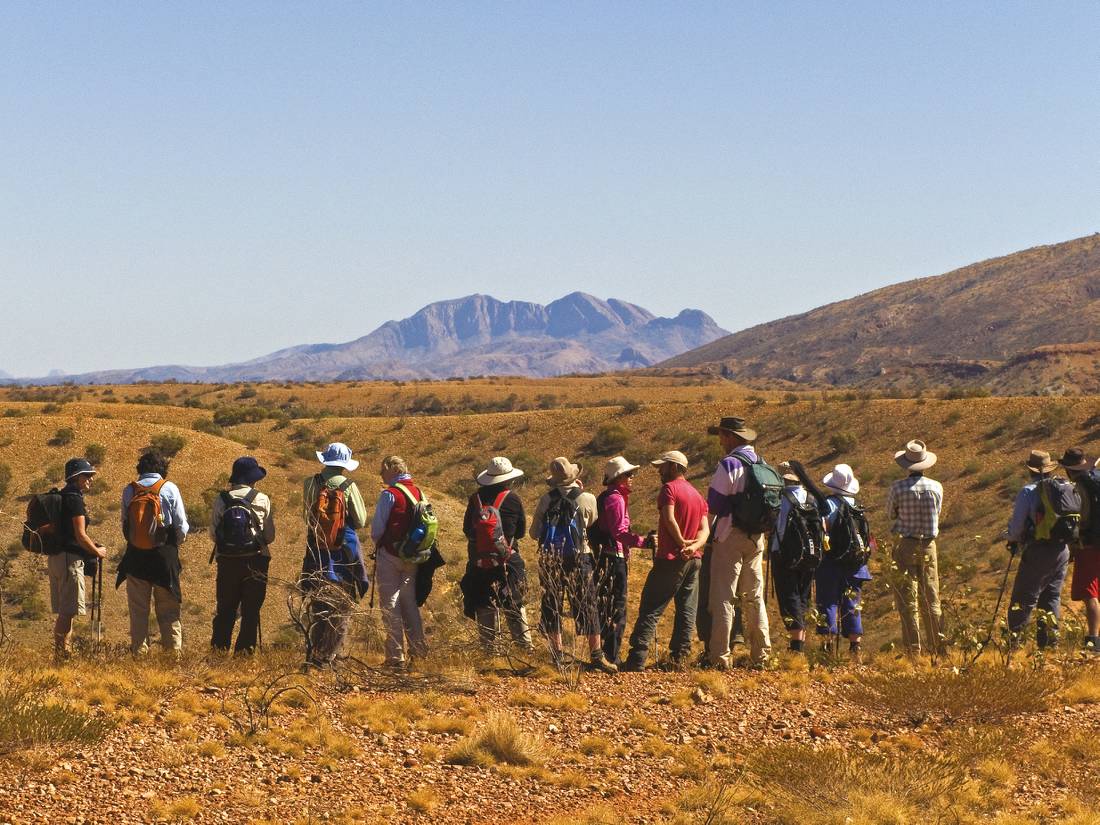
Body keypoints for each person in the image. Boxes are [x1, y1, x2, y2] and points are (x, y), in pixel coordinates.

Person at [621, 451, 709, 672]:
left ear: (673, 467)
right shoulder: (697, 495)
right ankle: (679, 659)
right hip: (694, 559)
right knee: (686, 609)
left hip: (671, 558)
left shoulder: (669, 489)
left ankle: (636, 660)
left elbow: (669, 518)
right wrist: (694, 547)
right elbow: (705, 529)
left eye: (663, 466)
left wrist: (681, 543)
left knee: (651, 606)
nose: (659, 470)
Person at [531, 457, 617, 673]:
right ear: (574, 476)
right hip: (580, 557)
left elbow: (534, 533)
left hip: (551, 558)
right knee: (587, 603)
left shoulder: (545, 500)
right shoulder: (586, 497)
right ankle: (596, 655)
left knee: (552, 604)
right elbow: (591, 522)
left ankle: (557, 655)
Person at [705, 416, 772, 669]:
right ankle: (761, 656)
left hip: (729, 535)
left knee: (724, 596)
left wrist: (705, 536)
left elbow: (715, 505)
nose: (720, 440)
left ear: (731, 437)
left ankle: (721, 657)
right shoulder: (762, 463)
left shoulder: (729, 464)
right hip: (756, 538)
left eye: (722, 435)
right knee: (754, 596)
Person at [301, 443, 370, 668]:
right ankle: (330, 655)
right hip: (344, 549)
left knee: (320, 601)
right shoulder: (349, 485)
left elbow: (307, 517)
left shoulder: (310, 483)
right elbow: (360, 520)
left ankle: (316, 654)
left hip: (318, 548)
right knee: (343, 603)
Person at [116, 450, 189, 656]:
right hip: (164, 557)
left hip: (135, 557)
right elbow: (181, 526)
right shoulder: (169, 488)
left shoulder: (129, 490)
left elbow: (124, 524)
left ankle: (139, 656)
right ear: (162, 468)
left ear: (141, 469)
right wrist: (173, 545)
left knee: (139, 611)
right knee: (168, 610)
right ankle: (172, 657)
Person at [461, 457, 534, 651]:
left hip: (479, 561)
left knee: (484, 602)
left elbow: (467, 530)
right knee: (514, 601)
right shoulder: (512, 498)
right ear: (508, 478)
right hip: (507, 559)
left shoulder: (474, 499)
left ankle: (488, 648)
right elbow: (520, 532)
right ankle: (524, 647)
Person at [1006, 450, 1075, 649]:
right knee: (1051, 597)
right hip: (1062, 549)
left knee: (1023, 598)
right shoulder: (1064, 487)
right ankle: (1050, 645)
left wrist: (1010, 537)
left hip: (1038, 550)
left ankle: (1014, 645)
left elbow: (1017, 528)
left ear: (1031, 470)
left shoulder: (1028, 491)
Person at [210, 456, 275, 655]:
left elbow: (214, 534)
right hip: (256, 559)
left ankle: (218, 652)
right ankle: (244, 654)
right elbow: (270, 536)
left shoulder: (221, 499)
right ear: (252, 478)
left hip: (227, 561)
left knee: (226, 608)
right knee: (251, 610)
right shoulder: (262, 499)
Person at [885, 439, 945, 657]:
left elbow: (891, 514)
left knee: (907, 599)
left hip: (905, 544)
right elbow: (937, 514)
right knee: (931, 596)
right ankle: (938, 647)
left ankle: (913, 650)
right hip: (929, 545)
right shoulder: (936, 486)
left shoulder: (897, 488)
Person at [370, 455, 428, 669]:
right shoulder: (419, 492)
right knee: (409, 602)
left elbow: (377, 530)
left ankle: (395, 656)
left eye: (382, 471)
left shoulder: (389, 495)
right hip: (413, 556)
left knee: (390, 605)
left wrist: (381, 545)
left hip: (390, 554)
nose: (380, 475)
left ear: (391, 470)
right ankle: (419, 651)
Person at [592, 456, 652, 665]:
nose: (632, 477)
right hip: (614, 557)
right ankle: (612, 656)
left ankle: (604, 654)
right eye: (628, 474)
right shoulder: (616, 499)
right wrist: (644, 542)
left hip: (605, 557)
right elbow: (619, 532)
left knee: (606, 606)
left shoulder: (606, 496)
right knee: (617, 607)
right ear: (619, 477)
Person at [48, 458, 107, 657]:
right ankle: (61, 654)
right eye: (86, 476)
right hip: (69, 560)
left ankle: (64, 652)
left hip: (56, 558)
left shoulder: (63, 496)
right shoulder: (74, 499)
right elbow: (81, 535)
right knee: (68, 610)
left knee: (67, 610)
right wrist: (97, 551)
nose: (90, 479)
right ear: (76, 478)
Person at [815, 464, 872, 662]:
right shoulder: (857, 506)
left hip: (830, 562)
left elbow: (821, 529)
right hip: (856, 564)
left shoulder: (827, 504)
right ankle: (855, 647)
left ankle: (827, 647)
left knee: (828, 602)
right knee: (852, 604)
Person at [768, 461, 820, 654]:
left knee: (788, 596)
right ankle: (801, 641)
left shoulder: (781, 498)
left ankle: (796, 646)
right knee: (803, 595)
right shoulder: (811, 498)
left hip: (784, 554)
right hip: (809, 555)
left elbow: (772, 524)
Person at [1059, 449, 1100, 654]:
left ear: (1068, 469)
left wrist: (1073, 546)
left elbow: (1079, 520)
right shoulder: (1096, 481)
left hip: (1089, 545)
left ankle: (1093, 640)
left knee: (1090, 593)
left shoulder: (1079, 488)